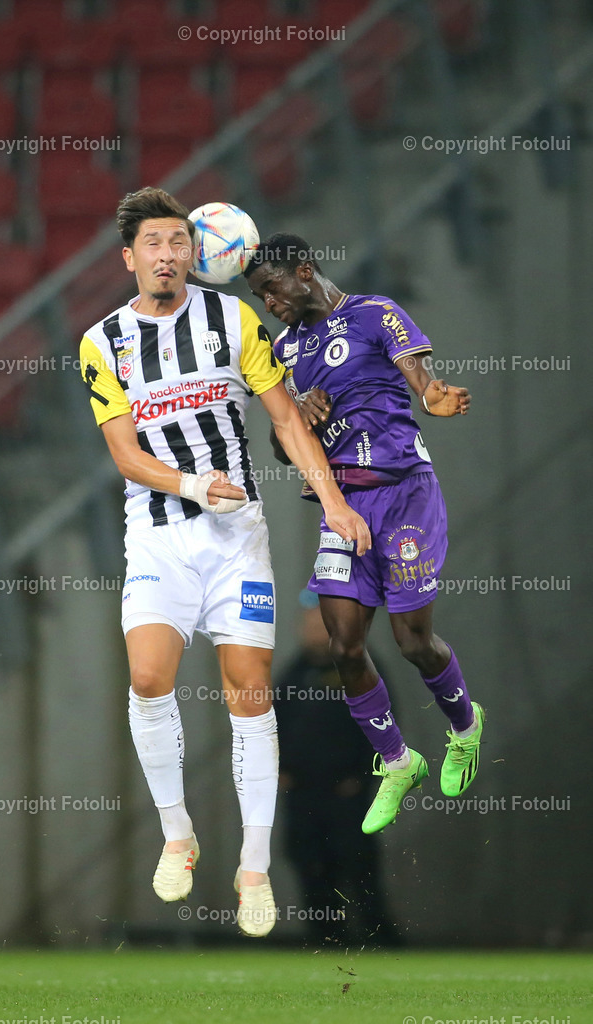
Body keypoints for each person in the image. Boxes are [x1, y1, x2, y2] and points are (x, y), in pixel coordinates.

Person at [78, 191, 370, 938]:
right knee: (148, 677)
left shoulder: (232, 320)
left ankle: (252, 867)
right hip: (158, 532)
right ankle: (179, 834)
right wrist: (189, 484)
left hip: (236, 537)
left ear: (197, 252)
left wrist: (333, 500)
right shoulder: (101, 342)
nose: (168, 254)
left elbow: (284, 417)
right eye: (154, 243)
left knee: (249, 696)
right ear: (130, 258)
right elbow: (123, 451)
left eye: (179, 241)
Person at [244, 233, 485, 836]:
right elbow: (283, 443)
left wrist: (438, 397)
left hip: (405, 493)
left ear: (304, 271)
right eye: (259, 295)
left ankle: (465, 725)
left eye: (272, 289)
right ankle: (400, 762)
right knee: (343, 646)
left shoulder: (375, 314)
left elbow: (422, 383)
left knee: (412, 643)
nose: (269, 302)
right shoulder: (286, 351)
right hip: (343, 504)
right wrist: (298, 417)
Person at [274, 590, 398, 946]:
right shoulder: (293, 674)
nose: (314, 628)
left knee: (357, 866)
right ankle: (327, 940)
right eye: (309, 620)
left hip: (347, 796)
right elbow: (271, 726)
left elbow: (385, 728)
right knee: (309, 863)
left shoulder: (359, 668)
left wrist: (362, 778)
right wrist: (279, 769)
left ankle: (380, 939)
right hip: (302, 794)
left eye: (322, 620)